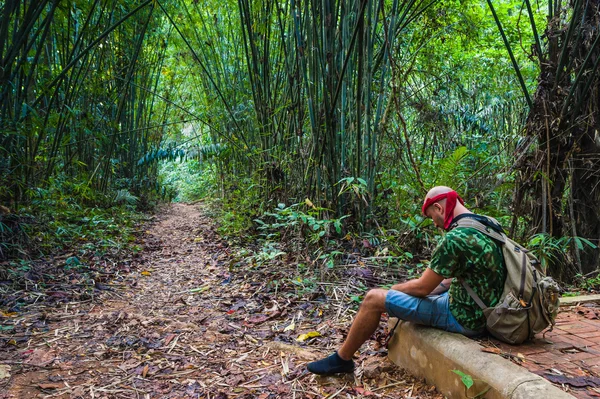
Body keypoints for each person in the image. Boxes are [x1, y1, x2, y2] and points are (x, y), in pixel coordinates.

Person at [306, 186, 507, 376]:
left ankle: (342, 359)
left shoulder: (456, 237)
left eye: (432, 217)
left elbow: (422, 287)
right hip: (487, 312)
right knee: (412, 291)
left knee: (373, 298)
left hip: (463, 318)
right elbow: (453, 280)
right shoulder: (488, 225)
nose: (435, 224)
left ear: (438, 207)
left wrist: (393, 290)